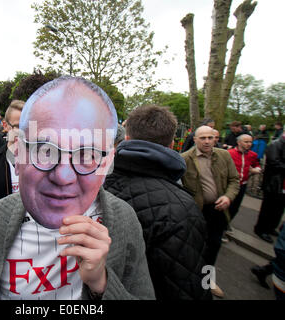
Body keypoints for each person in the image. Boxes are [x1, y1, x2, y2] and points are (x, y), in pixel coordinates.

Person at [0, 76, 155, 300]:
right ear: (20, 152)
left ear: (107, 162)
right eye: (44, 150)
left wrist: (102, 284)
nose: (63, 176)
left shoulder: (123, 222)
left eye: (87, 155)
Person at [104, 105, 211, 300]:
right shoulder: (184, 208)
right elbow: (192, 284)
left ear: (126, 139)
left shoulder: (94, 186)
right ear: (171, 145)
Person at [181, 125, 240, 298]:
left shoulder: (224, 156)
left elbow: (234, 180)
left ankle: (207, 280)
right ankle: (189, 278)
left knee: (213, 247)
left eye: (210, 137)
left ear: (215, 138)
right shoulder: (184, 159)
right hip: (195, 212)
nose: (207, 141)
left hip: (218, 211)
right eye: (203, 138)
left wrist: (228, 197)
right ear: (195, 140)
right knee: (192, 247)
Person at [254, 132, 285, 243]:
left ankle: (271, 228)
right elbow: (274, 162)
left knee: (279, 209)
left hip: (282, 185)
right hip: (273, 184)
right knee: (268, 208)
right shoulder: (275, 145)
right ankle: (261, 229)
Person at [227, 134, 262, 221]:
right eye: (246, 142)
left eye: (250, 142)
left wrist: (256, 170)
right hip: (229, 184)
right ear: (238, 142)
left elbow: (257, 165)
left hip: (242, 185)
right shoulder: (229, 153)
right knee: (226, 205)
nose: (249, 144)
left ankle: (227, 224)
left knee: (235, 207)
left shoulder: (253, 155)